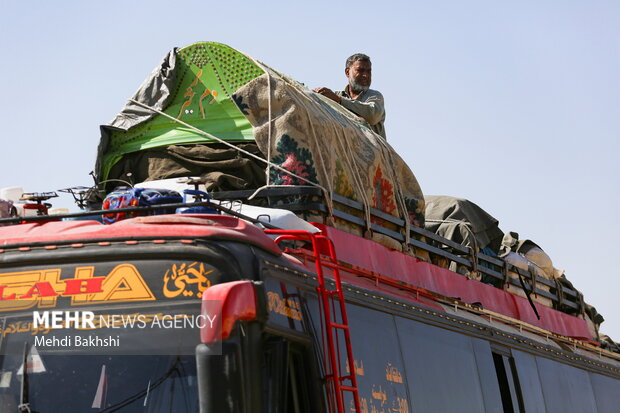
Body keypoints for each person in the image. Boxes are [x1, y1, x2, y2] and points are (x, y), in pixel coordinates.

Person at [313, 53, 386, 139]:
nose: (365, 75)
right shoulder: (335, 96)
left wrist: (340, 101)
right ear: (347, 72)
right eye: (360, 70)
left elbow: (372, 115)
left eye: (368, 71)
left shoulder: (375, 96)